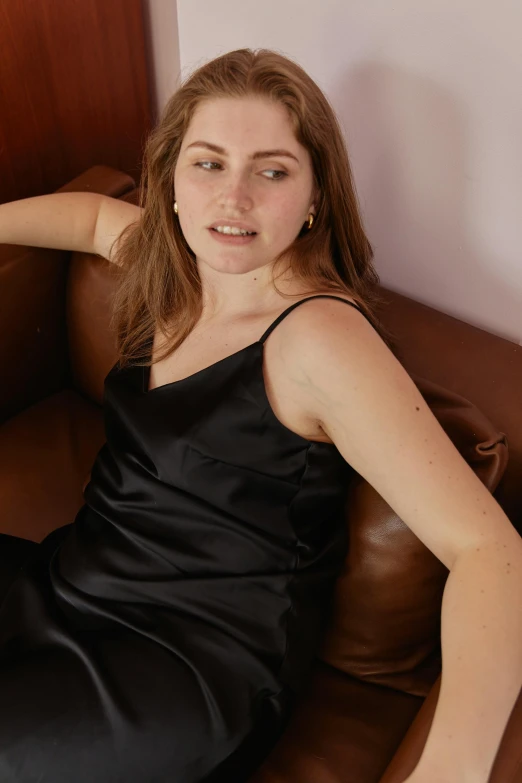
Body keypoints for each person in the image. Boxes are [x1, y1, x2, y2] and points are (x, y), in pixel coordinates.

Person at [1, 48, 520, 783]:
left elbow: (488, 549)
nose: (233, 197)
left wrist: (454, 768)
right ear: (170, 181)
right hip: (74, 583)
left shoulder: (319, 339)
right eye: (207, 163)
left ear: (314, 196)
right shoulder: (176, 267)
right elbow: (88, 219)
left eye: (271, 170)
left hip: (186, 670)